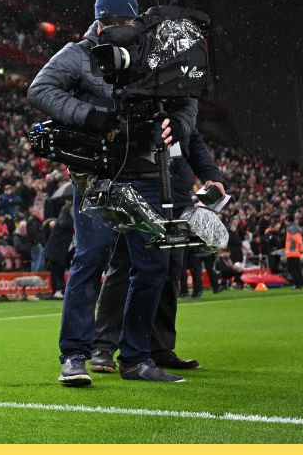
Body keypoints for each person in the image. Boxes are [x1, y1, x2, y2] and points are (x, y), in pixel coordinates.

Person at [27, 0, 198, 385]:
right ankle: (74, 356)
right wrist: (90, 117)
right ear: (97, 21)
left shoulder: (156, 50)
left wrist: (178, 123)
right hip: (99, 172)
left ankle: (136, 358)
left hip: (148, 168)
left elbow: (188, 94)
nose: (118, 27)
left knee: (153, 264)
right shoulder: (79, 53)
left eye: (125, 19)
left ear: (137, 19)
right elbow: (40, 89)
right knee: (91, 259)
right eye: (111, 20)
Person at [90, 129, 226, 374]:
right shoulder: (143, 98)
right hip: (140, 189)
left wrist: (211, 175)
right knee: (125, 265)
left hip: (176, 195)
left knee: (169, 270)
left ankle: (159, 347)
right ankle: (103, 346)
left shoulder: (181, 107)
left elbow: (192, 140)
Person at [285, 218, 303, 289]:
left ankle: (298, 284)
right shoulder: (294, 228)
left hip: (292, 253)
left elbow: (297, 239)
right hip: (295, 253)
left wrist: (302, 249)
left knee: (293, 269)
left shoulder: (292, 228)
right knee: (297, 269)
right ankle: (300, 283)